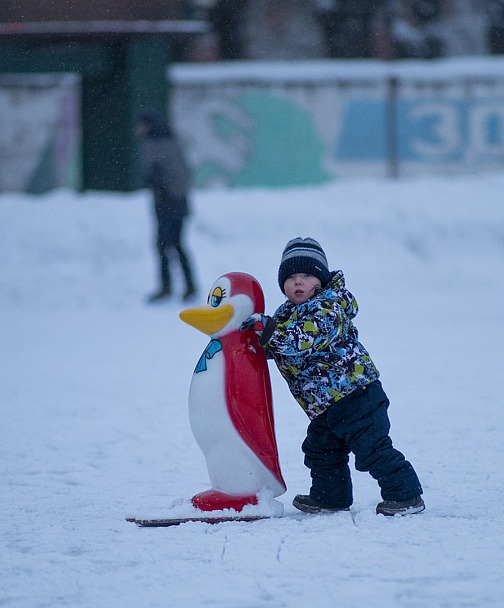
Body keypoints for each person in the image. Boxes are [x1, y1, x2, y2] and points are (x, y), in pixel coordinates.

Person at [239, 237, 424, 516]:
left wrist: (269, 331)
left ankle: (406, 495)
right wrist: (250, 341)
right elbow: (280, 346)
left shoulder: (329, 307)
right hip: (325, 405)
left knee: (372, 448)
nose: (298, 282)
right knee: (320, 450)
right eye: (290, 277)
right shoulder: (287, 314)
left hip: (356, 396)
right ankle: (330, 497)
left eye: (307, 275)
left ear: (321, 280)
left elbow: (300, 339)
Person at [136, 110, 196, 303]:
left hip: (169, 204)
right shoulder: (171, 143)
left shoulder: (155, 145)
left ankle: (171, 287)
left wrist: (164, 190)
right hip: (173, 203)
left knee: (166, 245)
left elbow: (164, 175)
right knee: (173, 245)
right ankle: (186, 286)